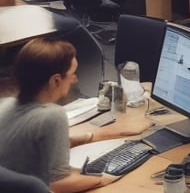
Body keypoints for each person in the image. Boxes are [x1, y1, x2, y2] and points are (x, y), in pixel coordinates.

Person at [0, 38, 152, 192]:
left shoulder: (7, 105)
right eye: (72, 73)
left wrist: (98, 135)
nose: (75, 79)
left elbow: (42, 145)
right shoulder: (52, 116)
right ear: (56, 80)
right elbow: (59, 184)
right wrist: (105, 178)